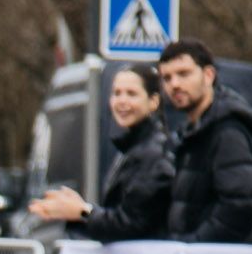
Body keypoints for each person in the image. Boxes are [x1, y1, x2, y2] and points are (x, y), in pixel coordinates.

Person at [27, 62, 174, 242]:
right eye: (116, 93)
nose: (122, 101)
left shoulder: (152, 153)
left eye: (132, 94)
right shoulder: (134, 147)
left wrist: (82, 211)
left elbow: (131, 223)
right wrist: (79, 210)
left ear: (153, 102)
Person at [155, 41, 252, 244]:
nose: (174, 84)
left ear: (208, 75)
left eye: (184, 74)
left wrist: (194, 245)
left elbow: (242, 205)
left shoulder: (227, 130)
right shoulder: (189, 133)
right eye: (167, 78)